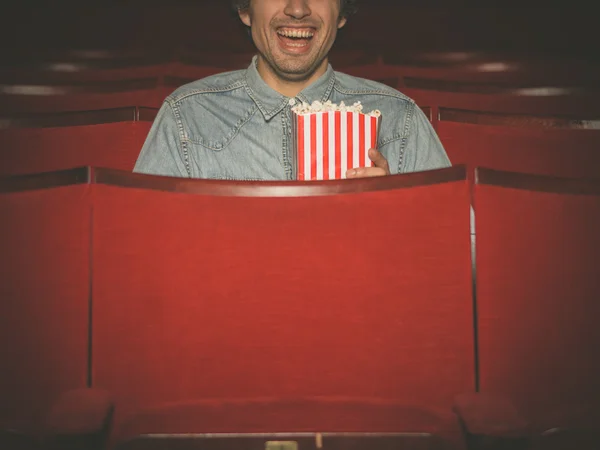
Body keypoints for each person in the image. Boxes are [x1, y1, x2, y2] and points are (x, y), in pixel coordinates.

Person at [134, 0, 451, 179]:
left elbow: (450, 260)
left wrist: (395, 210)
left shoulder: (401, 121)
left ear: (340, 13)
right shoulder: (186, 118)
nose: (297, 9)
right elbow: (145, 254)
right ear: (245, 10)